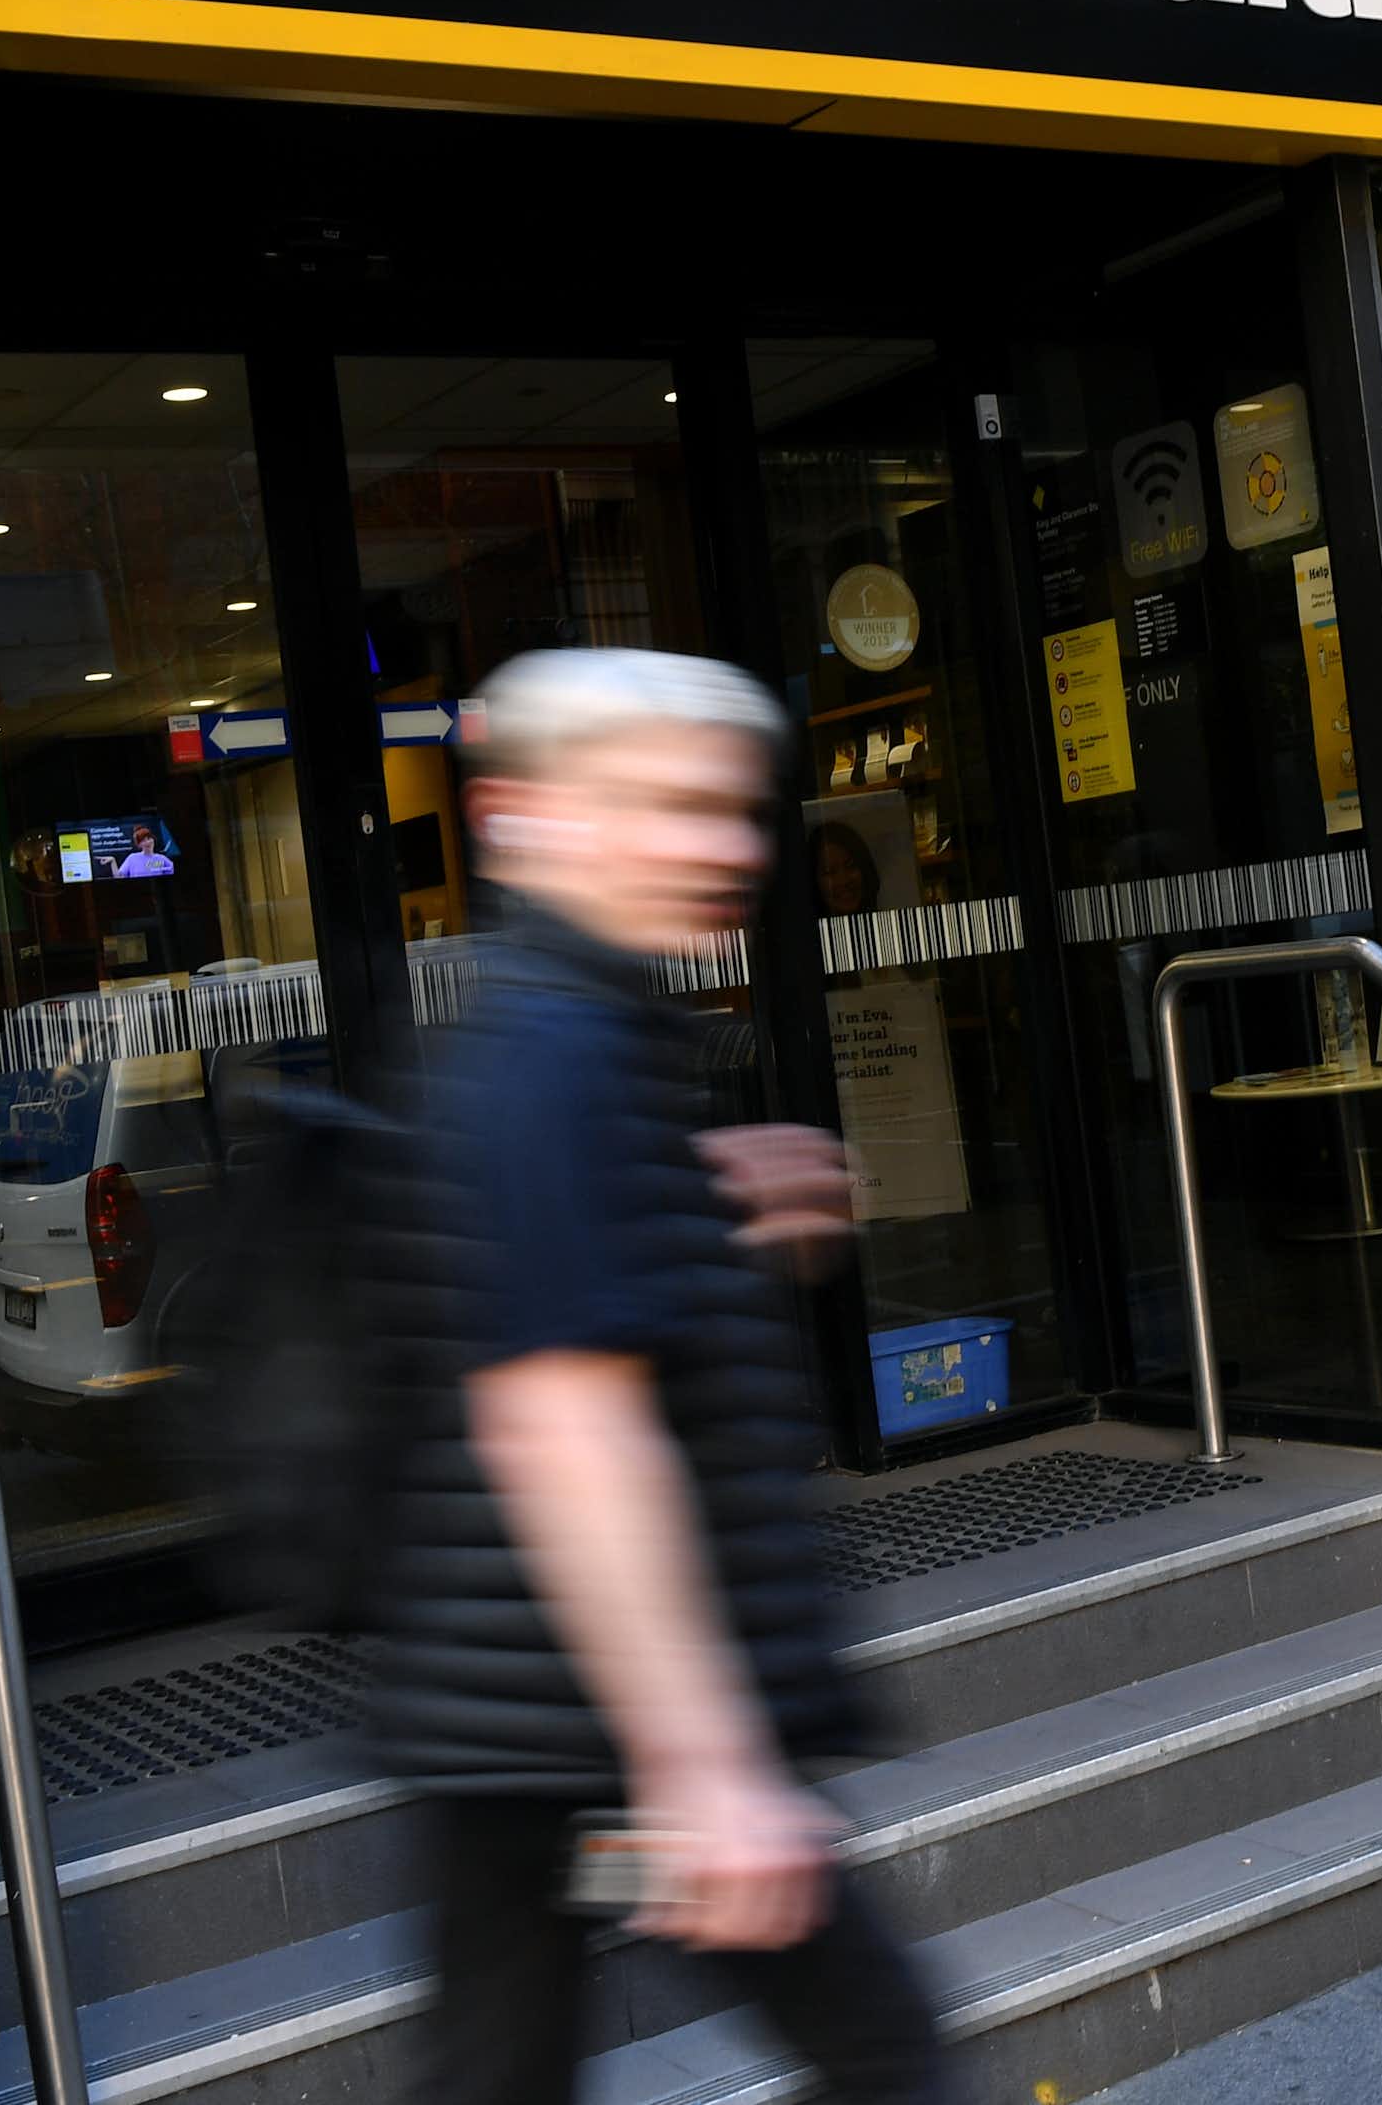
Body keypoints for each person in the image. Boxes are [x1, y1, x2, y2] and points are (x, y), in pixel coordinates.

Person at [362, 648, 945, 2105]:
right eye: (667, 806)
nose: (727, 846)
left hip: (533, 1732)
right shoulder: (548, 1054)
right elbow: (563, 1424)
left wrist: (705, 1195)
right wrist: (706, 1770)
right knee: (887, 2059)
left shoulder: (587, 1032)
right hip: (587, 1729)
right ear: (525, 819)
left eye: (732, 809)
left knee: (499, 2077)